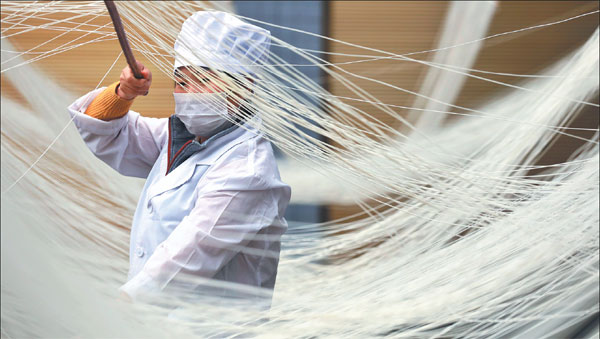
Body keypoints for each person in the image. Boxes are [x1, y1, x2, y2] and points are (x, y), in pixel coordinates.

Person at [67, 11, 290, 304]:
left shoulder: (247, 172)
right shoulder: (179, 138)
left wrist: (120, 304)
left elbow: (184, 261)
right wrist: (123, 93)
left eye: (202, 80)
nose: (188, 93)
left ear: (242, 87)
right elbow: (106, 133)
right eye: (181, 82)